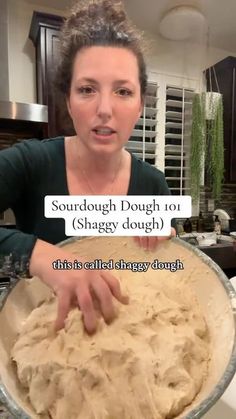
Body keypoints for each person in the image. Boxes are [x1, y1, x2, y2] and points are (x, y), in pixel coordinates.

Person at [0, 0, 175, 333]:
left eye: (123, 91)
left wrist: (168, 250)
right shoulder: (31, 163)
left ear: (140, 106)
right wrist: (41, 256)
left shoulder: (153, 185)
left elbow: (172, 278)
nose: (105, 109)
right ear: (68, 100)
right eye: (87, 89)